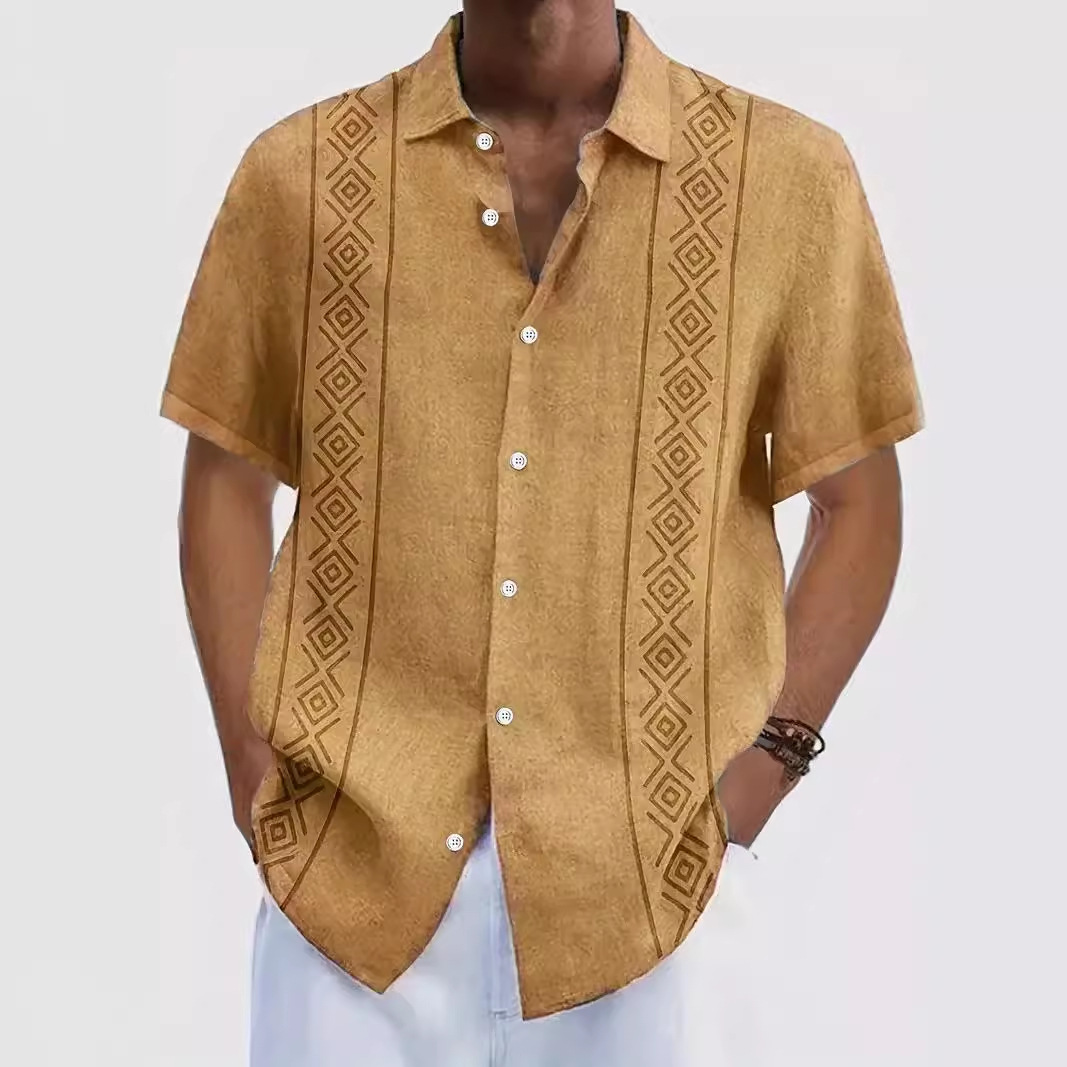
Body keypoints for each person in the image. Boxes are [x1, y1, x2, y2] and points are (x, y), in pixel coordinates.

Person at [159, 2, 924, 1064]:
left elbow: (857, 501)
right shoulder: (304, 172)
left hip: (658, 910)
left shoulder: (785, 176)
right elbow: (225, 481)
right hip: (350, 907)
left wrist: (757, 775)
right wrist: (260, 787)